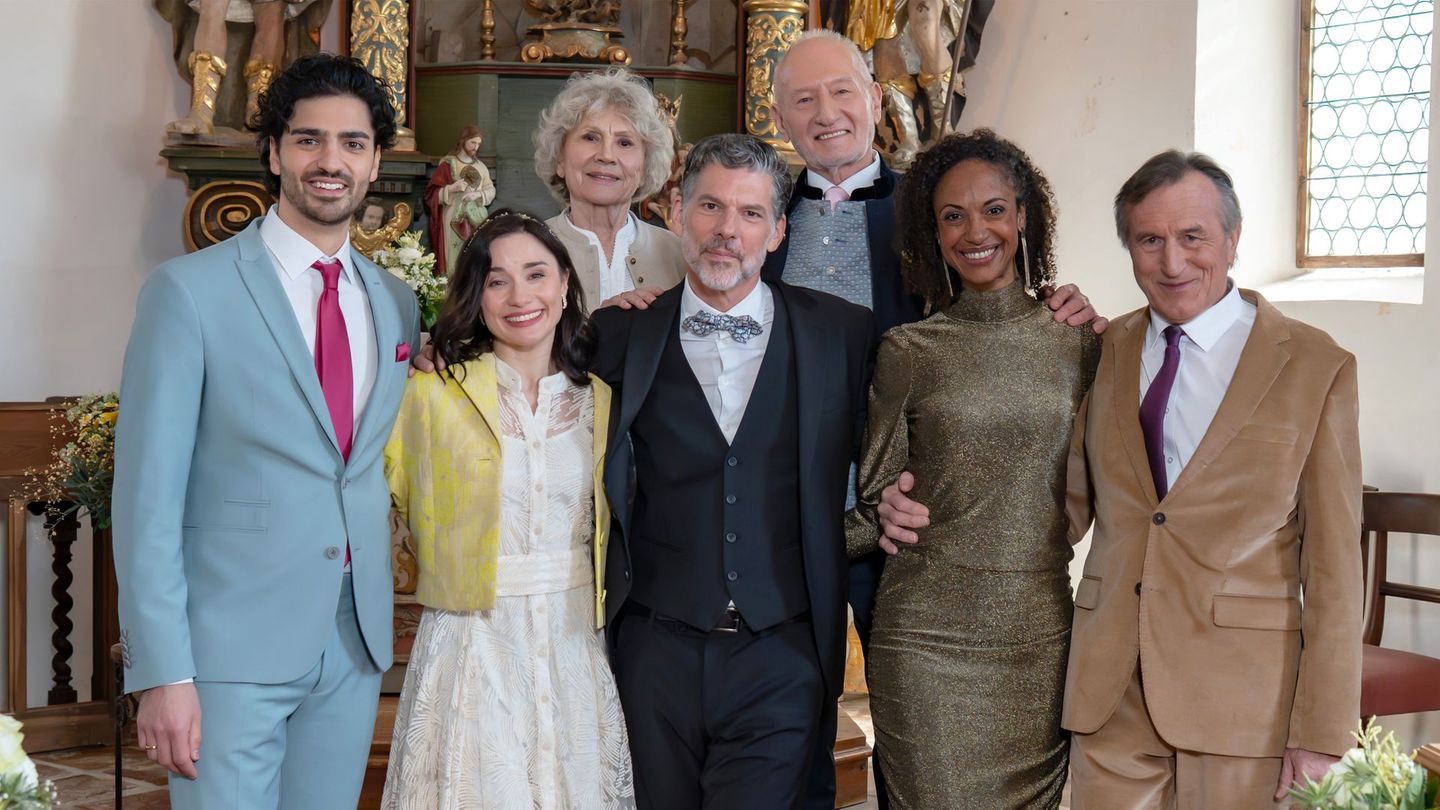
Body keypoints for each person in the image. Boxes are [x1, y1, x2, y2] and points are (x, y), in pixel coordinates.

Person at [881, 150, 1365, 808]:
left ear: (1233, 237)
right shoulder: (1103, 348)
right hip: (1107, 699)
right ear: (1129, 248)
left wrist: (1324, 732)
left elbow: (1337, 571)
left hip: (1242, 704)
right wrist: (898, 501)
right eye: (1149, 240)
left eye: (1192, 237)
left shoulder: (1315, 365)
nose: (1172, 262)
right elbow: (1053, 500)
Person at [763, 29, 1103, 808]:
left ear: (874, 99)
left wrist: (1071, 312)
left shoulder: (932, 196)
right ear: (778, 117)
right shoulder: (758, 214)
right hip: (798, 514)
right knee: (792, 733)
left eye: (842, 91)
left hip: (932, 530)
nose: (825, 113)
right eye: (803, 100)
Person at [112, 53, 418, 808]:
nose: (330, 161)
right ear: (275, 151)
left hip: (352, 645)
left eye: (352, 143)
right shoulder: (188, 293)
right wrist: (163, 671)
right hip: (227, 652)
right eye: (309, 140)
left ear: (376, 161)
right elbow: (146, 497)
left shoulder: (396, 303)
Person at [590, 133, 874, 808]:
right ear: (678, 214)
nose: (727, 231)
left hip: (782, 651)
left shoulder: (844, 333)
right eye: (711, 207)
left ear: (778, 231)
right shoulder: (617, 335)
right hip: (652, 650)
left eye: (750, 214)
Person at [847, 130, 1098, 809]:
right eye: (952, 216)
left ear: (1024, 217)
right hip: (925, 642)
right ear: (932, 234)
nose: (975, 231)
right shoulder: (909, 349)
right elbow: (876, 502)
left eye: (994, 209)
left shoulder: (1081, 342)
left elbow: (1122, 480)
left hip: (1038, 640)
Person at [381, 211, 633, 808]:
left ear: (566, 283)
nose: (520, 296)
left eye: (536, 274)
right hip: (472, 643)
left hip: (577, 641)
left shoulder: (603, 401)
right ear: (477, 295)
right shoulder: (429, 393)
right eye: (497, 281)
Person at [533, 68, 687, 312]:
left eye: (625, 143)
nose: (606, 155)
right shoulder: (527, 248)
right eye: (590, 138)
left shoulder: (680, 253)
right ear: (560, 159)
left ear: (645, 166)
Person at [423, 126, 497, 275]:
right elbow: (431, 194)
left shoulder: (480, 167)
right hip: (452, 218)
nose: (475, 147)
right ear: (463, 141)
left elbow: (491, 189)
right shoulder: (448, 165)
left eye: (478, 144)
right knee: (453, 256)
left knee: (472, 253)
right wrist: (452, 188)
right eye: (472, 143)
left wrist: (478, 195)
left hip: (475, 217)